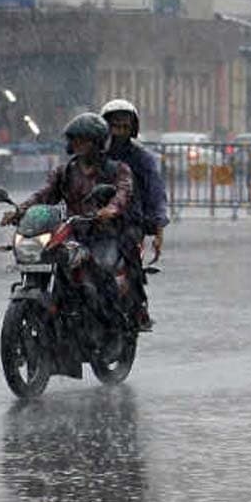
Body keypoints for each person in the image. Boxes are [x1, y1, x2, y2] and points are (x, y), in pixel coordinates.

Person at [2, 113, 133, 319]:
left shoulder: (117, 170)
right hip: (71, 233)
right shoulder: (64, 172)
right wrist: (21, 211)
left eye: (84, 140)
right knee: (46, 256)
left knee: (103, 274)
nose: (78, 144)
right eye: (75, 139)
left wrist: (110, 210)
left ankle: (111, 324)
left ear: (97, 142)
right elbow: (44, 194)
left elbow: (123, 193)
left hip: (104, 234)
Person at [101, 98, 169, 331]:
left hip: (128, 222)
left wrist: (158, 230)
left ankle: (138, 306)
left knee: (129, 254)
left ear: (132, 129)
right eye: (114, 126)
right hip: (93, 220)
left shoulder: (143, 159)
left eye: (124, 127)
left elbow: (156, 194)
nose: (118, 132)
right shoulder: (93, 156)